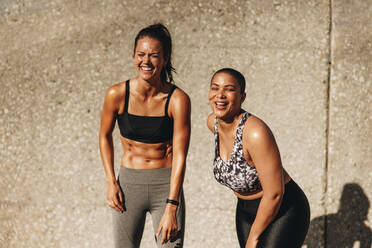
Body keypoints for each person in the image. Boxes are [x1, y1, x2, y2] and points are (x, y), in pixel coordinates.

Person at [99, 24, 191, 248]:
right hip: (129, 185)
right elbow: (104, 136)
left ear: (166, 58)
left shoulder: (178, 100)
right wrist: (111, 182)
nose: (146, 61)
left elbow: (180, 154)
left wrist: (172, 204)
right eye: (140, 54)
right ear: (133, 56)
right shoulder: (117, 94)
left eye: (154, 55)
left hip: (166, 185)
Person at [206, 68, 310, 248]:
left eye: (229, 89)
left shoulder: (255, 133)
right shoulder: (213, 123)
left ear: (242, 97)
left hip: (283, 209)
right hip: (246, 211)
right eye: (215, 88)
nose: (220, 95)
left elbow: (275, 193)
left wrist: (254, 238)